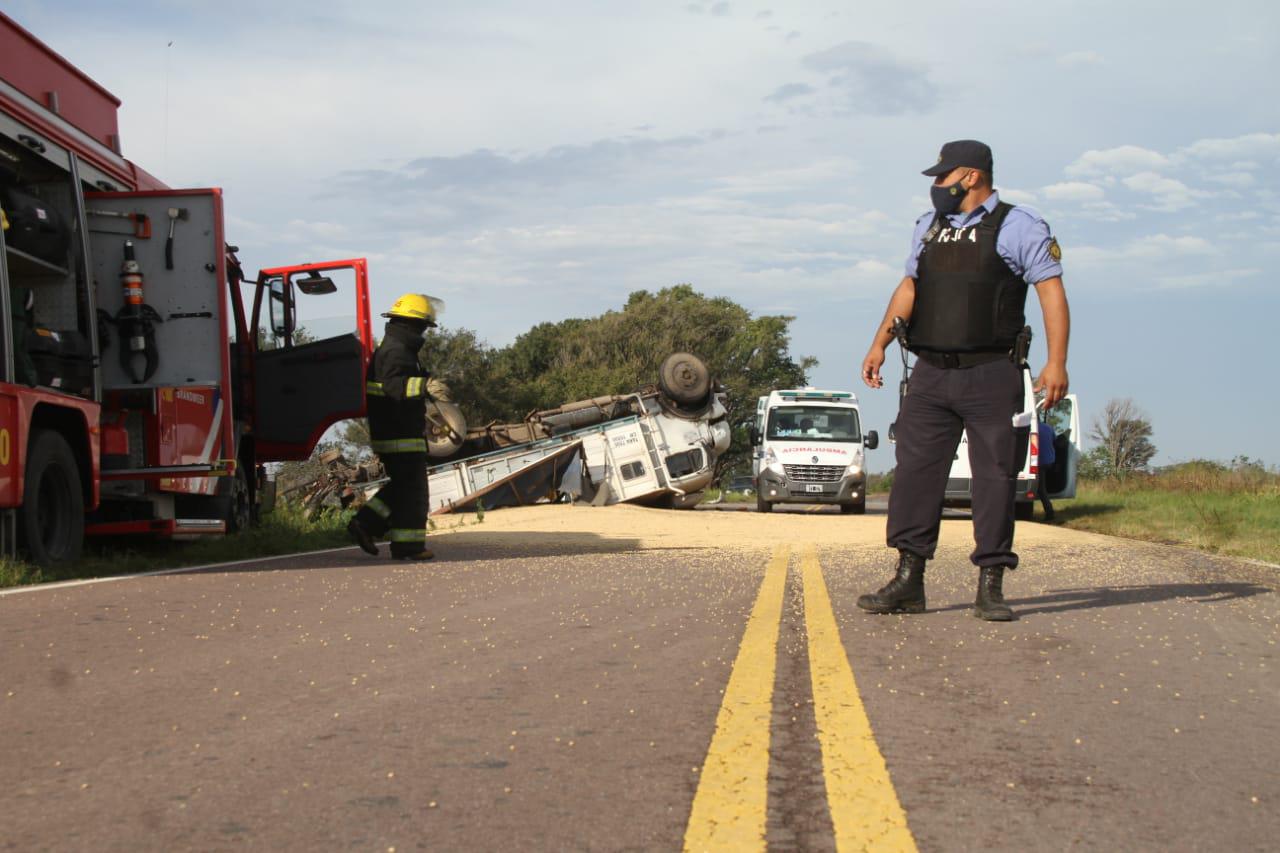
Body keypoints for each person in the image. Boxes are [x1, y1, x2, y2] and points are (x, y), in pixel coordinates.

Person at [858, 140, 1070, 621]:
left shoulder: (1020, 226)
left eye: (942, 177)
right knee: (915, 476)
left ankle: (990, 585)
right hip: (930, 374)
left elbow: (1051, 292)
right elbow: (909, 287)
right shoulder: (928, 227)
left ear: (970, 176)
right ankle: (909, 580)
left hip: (992, 373)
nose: (936, 187)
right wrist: (880, 344)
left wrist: (1056, 362)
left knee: (995, 478)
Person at [348, 293, 441, 560]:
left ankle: (371, 527)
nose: (424, 331)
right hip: (398, 434)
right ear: (411, 325)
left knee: (404, 488)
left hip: (399, 432)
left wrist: (427, 385)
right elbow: (394, 386)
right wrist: (425, 385)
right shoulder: (395, 351)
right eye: (422, 326)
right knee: (412, 490)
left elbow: (404, 382)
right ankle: (404, 544)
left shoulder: (399, 349)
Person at [1036, 418, 1057, 521]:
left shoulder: (1032, 428)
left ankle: (1050, 513)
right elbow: (1054, 440)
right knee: (1042, 486)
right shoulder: (1048, 427)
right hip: (1050, 461)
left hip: (1040, 462)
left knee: (1041, 489)